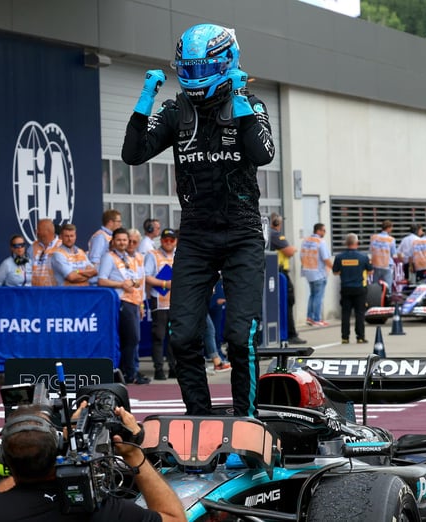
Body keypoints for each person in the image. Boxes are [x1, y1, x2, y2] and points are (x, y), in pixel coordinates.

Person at [121, 23, 275, 417]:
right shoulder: (175, 112)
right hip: (196, 235)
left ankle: (247, 419)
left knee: (241, 338)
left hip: (242, 233)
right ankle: (200, 419)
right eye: (185, 69)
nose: (191, 78)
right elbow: (132, 154)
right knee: (183, 335)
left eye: (199, 68)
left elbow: (262, 155)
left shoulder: (251, 104)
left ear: (226, 63)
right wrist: (145, 99)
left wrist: (239, 98)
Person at [0, 404, 185, 522]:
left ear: (5, 459)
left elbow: (16, 486)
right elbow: (176, 519)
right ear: (59, 448)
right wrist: (134, 456)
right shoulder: (102, 512)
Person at [98, 228, 149, 385]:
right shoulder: (108, 257)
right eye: (119, 240)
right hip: (120, 301)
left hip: (134, 301)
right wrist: (121, 284)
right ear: (113, 241)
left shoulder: (129, 257)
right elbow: (101, 280)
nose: (122, 242)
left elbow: (138, 280)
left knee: (133, 339)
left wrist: (139, 301)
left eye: (124, 240)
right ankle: (127, 372)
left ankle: (130, 371)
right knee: (131, 338)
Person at [144, 228, 177, 381]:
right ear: (161, 241)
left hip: (177, 301)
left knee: (174, 337)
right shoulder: (153, 254)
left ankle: (173, 367)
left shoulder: (180, 255)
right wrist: (166, 283)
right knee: (159, 336)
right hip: (160, 300)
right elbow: (146, 277)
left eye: (171, 240)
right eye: (165, 240)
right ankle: (158, 368)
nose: (168, 243)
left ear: (175, 241)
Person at [268, 213, 306, 344]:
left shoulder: (266, 234)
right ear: (277, 223)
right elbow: (289, 251)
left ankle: (280, 333)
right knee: (288, 301)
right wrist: (294, 249)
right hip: (280, 273)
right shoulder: (275, 235)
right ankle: (290, 333)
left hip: (271, 274)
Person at [332, 233, 372, 344]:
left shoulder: (339, 257)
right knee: (359, 313)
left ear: (346, 243)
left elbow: (335, 272)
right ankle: (360, 337)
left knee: (345, 314)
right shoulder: (363, 257)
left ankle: (345, 337)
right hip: (359, 288)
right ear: (356, 243)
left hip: (346, 288)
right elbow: (370, 271)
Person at [300, 223, 333, 327]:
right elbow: (326, 258)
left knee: (312, 295)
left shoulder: (306, 241)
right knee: (318, 296)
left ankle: (309, 317)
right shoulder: (320, 242)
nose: (324, 232)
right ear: (318, 231)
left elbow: (301, 256)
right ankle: (317, 319)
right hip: (319, 273)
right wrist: (333, 268)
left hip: (308, 272)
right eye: (323, 230)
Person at [88, 209, 123, 284]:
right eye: (119, 221)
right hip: (99, 281)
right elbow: (94, 261)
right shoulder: (100, 236)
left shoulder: (110, 236)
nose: (121, 224)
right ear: (110, 222)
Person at [28, 218, 61, 287]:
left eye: (38, 229)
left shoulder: (62, 246)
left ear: (48, 231)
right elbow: (26, 269)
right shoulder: (32, 247)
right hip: (35, 293)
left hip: (56, 293)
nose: (36, 232)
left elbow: (75, 270)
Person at [370, 220, 397, 289]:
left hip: (376, 265)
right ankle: (387, 298)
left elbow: (371, 250)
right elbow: (393, 253)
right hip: (386, 265)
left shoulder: (373, 237)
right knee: (388, 287)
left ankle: (376, 299)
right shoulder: (391, 239)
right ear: (388, 228)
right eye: (391, 228)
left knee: (375, 287)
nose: (392, 229)